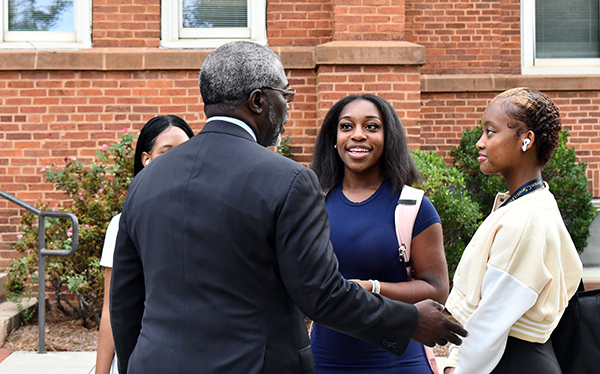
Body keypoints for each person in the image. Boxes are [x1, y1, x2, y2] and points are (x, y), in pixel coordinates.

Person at [109, 41, 466, 374]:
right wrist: (409, 321)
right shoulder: (288, 180)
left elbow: (125, 304)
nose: (288, 108)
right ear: (259, 101)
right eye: (286, 95)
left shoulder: (145, 182)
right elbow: (321, 295)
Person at [443, 87, 583, 374]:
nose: (480, 143)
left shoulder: (525, 219)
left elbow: (490, 324)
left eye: (490, 132)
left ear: (526, 140)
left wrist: (457, 369)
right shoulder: (533, 203)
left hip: (510, 363)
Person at [309, 94, 449, 373]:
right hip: (326, 362)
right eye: (346, 127)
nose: (358, 135)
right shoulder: (313, 203)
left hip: (399, 364)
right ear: (333, 138)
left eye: (371, 127)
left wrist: (372, 288)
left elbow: (437, 289)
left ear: (388, 137)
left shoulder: (413, 206)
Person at [95, 115, 195, 374]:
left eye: (185, 150)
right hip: (141, 359)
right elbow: (111, 310)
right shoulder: (122, 224)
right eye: (166, 151)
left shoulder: (210, 220)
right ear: (146, 158)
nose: (177, 159)